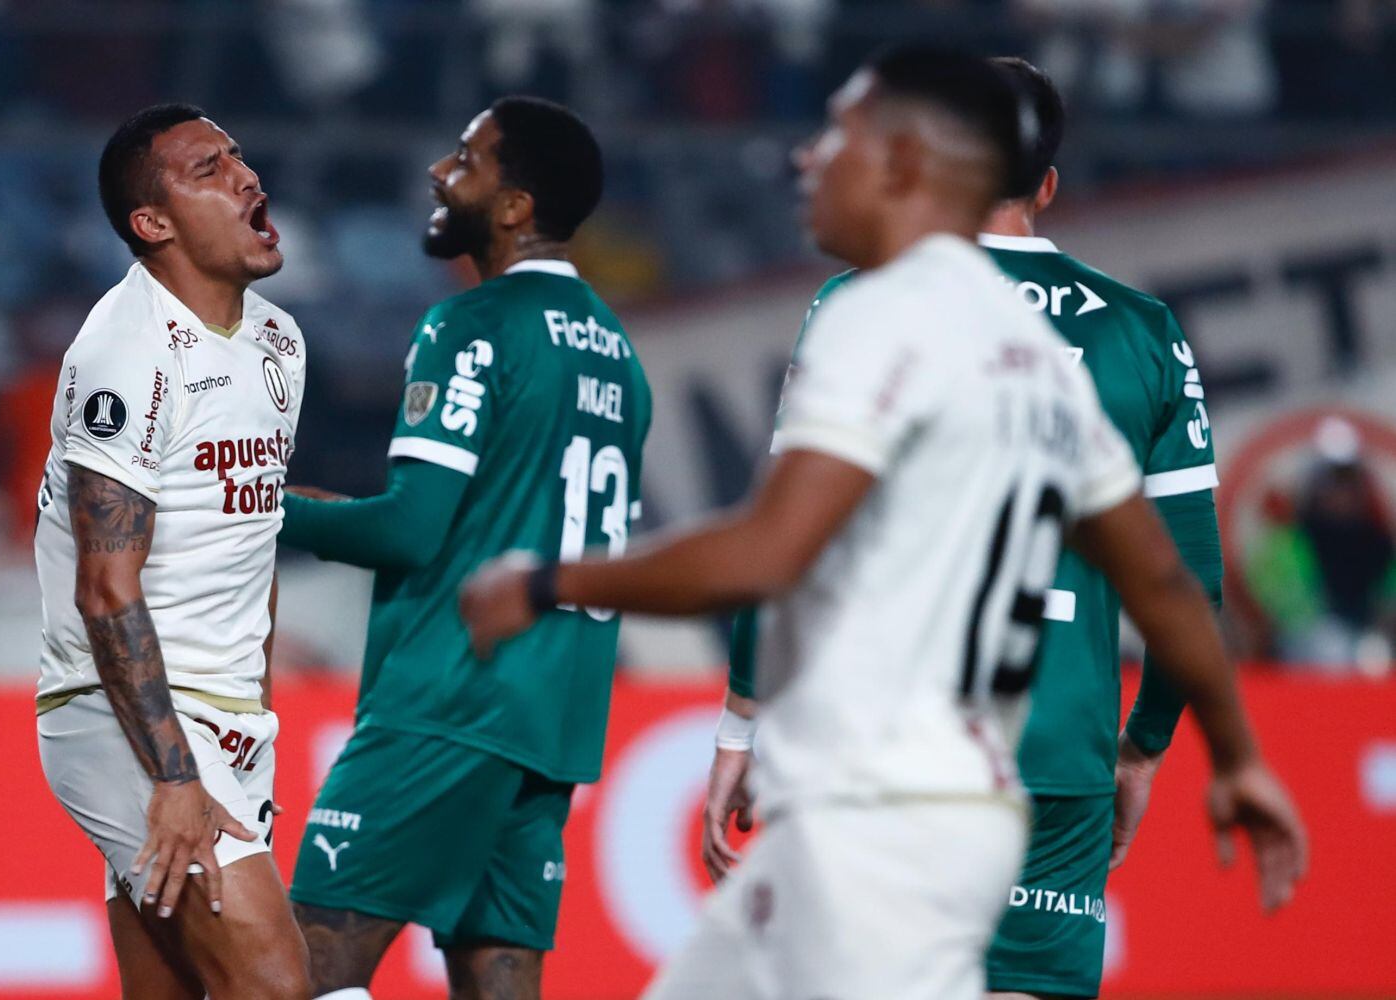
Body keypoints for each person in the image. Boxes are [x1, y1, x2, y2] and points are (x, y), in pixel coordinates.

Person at [460, 47, 1306, 999]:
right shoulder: (1053, 357)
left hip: (883, 807)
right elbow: (1169, 579)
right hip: (988, 785)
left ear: (908, 164)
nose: (808, 156)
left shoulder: (873, 311)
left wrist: (549, 581)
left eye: (839, 134)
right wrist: (1226, 756)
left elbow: (771, 551)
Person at [707, 57, 1231, 1000]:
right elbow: (1192, 576)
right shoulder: (1145, 331)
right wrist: (1142, 745)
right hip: (1062, 748)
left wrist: (744, 720)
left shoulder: (865, 306)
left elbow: (784, 539)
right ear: (1046, 185)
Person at [279, 97, 650, 1000]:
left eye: (466, 160)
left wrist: (257, 508)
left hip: (450, 700)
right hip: (551, 718)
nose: (439, 175)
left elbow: (411, 529)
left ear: (515, 205)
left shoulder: (472, 326)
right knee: (499, 980)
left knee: (302, 971)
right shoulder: (620, 357)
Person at [33, 104, 310, 1000]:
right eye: (208, 170)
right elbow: (105, 588)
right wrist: (176, 774)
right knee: (275, 983)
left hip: (228, 718)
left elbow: (253, 538)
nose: (246, 177)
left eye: (238, 155)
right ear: (152, 224)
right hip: (122, 715)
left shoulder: (278, 340)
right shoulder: (126, 351)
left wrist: (255, 721)